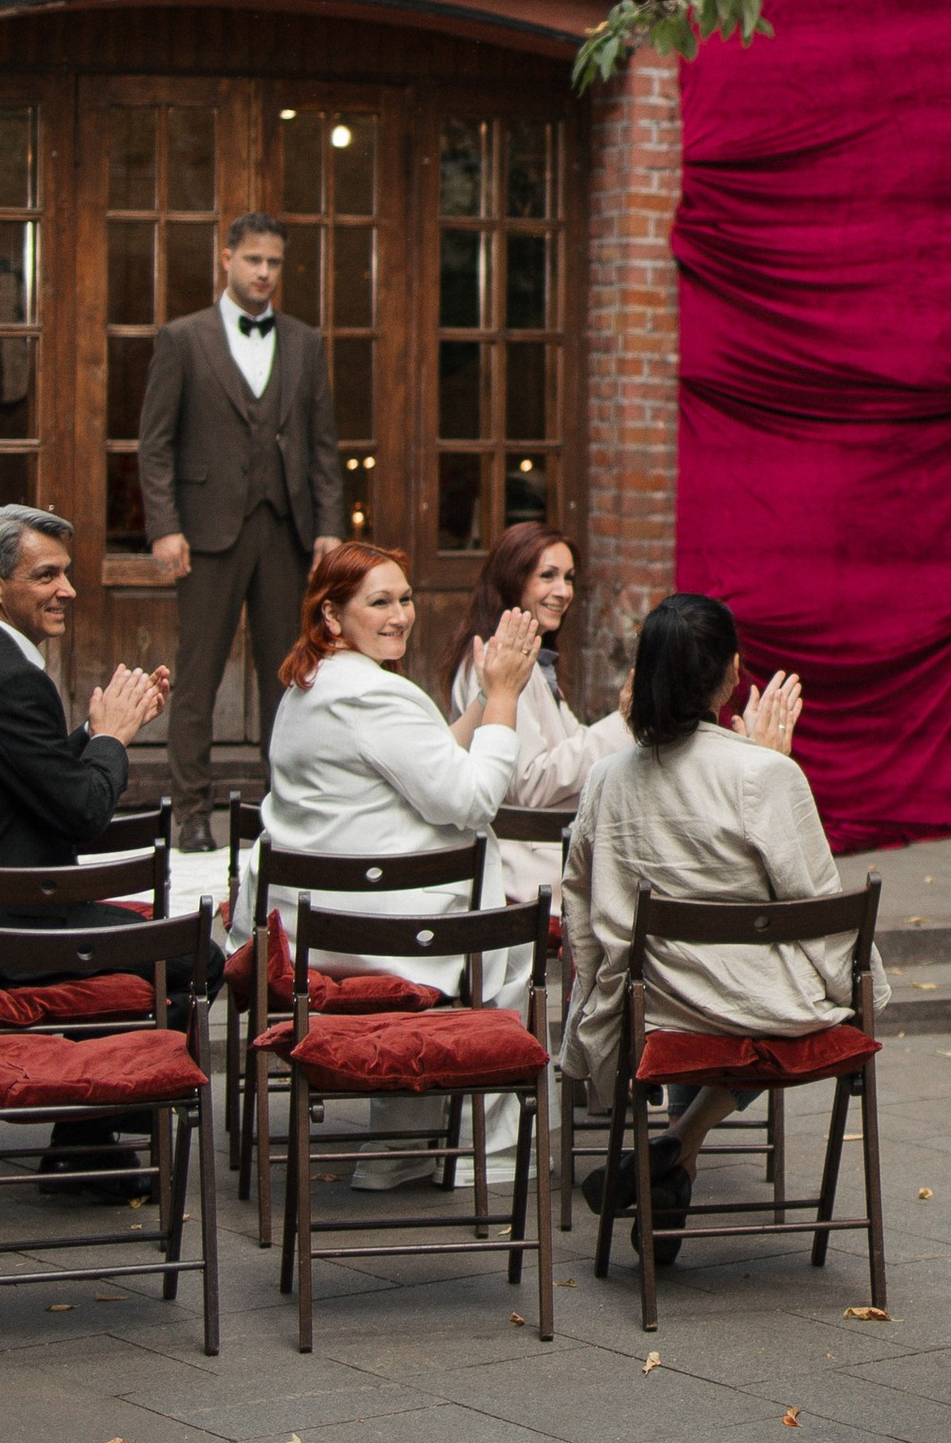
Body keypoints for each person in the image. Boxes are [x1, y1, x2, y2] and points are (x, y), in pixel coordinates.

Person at [0, 504, 168, 1196]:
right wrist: (111, 739)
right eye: (46, 574)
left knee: (146, 938)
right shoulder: (13, 678)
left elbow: (22, 778)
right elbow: (79, 810)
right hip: (0, 932)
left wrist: (99, 730)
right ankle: (90, 1131)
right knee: (200, 953)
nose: (68, 590)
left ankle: (86, 1144)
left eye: (66, 573)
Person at [561, 593, 847, 1253]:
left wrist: (599, 988)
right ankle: (676, 1149)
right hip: (750, 1007)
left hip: (649, 1004)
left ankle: (671, 1155)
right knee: (802, 997)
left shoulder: (606, 778)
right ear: (733, 673)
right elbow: (818, 904)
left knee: (706, 989)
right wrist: (858, 990)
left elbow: (578, 897)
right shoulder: (764, 773)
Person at [260, 538, 539, 1186]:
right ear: (331, 615)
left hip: (310, 928)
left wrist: (474, 705)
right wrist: (502, 697)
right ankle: (481, 1155)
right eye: (379, 601)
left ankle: (403, 1146)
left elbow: (421, 760)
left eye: (406, 599)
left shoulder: (312, 684)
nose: (400, 615)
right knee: (505, 936)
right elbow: (470, 798)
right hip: (376, 935)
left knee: (479, 913)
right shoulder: (375, 695)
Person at [137, 213, 344, 849]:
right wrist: (164, 527)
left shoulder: (305, 342)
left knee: (288, 672)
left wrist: (330, 528)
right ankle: (192, 813)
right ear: (226, 258)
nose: (263, 273)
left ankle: (283, 806)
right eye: (253, 259)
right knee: (197, 674)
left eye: (274, 263)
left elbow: (323, 447)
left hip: (284, 528)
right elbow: (155, 444)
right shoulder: (183, 338)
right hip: (205, 531)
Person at [446, 525, 632, 893]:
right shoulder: (492, 661)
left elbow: (575, 749)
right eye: (547, 576)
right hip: (524, 877)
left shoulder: (533, 661)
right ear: (512, 580)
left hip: (550, 862)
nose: (563, 592)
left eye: (569, 578)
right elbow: (529, 784)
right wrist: (624, 720)